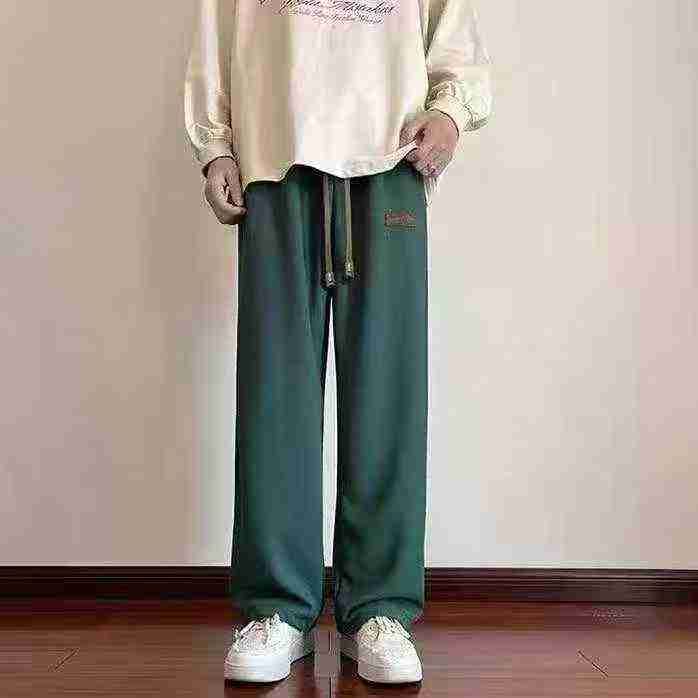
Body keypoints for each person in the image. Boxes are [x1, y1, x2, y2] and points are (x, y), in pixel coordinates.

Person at [184, 0, 492, 685]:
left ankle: (378, 609)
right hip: (276, 150)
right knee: (274, 394)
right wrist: (216, 146)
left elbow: (452, 30)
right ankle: (277, 608)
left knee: (386, 393)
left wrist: (449, 112)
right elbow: (215, 24)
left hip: (391, 153)